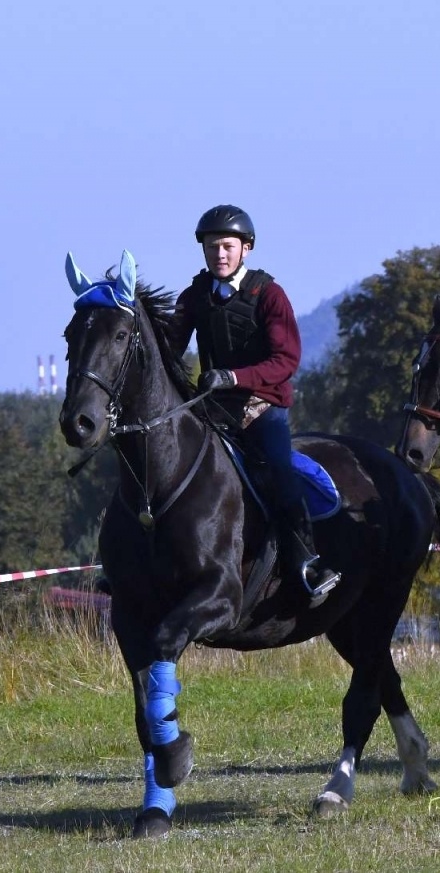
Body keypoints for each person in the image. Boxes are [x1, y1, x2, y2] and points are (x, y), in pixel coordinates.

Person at [169, 204, 341, 604]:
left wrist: (233, 377)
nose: (219, 254)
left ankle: (307, 562)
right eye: (212, 247)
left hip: (262, 408)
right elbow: (170, 346)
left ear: (246, 248)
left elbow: (286, 361)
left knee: (280, 472)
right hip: (213, 408)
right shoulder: (194, 296)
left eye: (227, 246)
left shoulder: (270, 295)